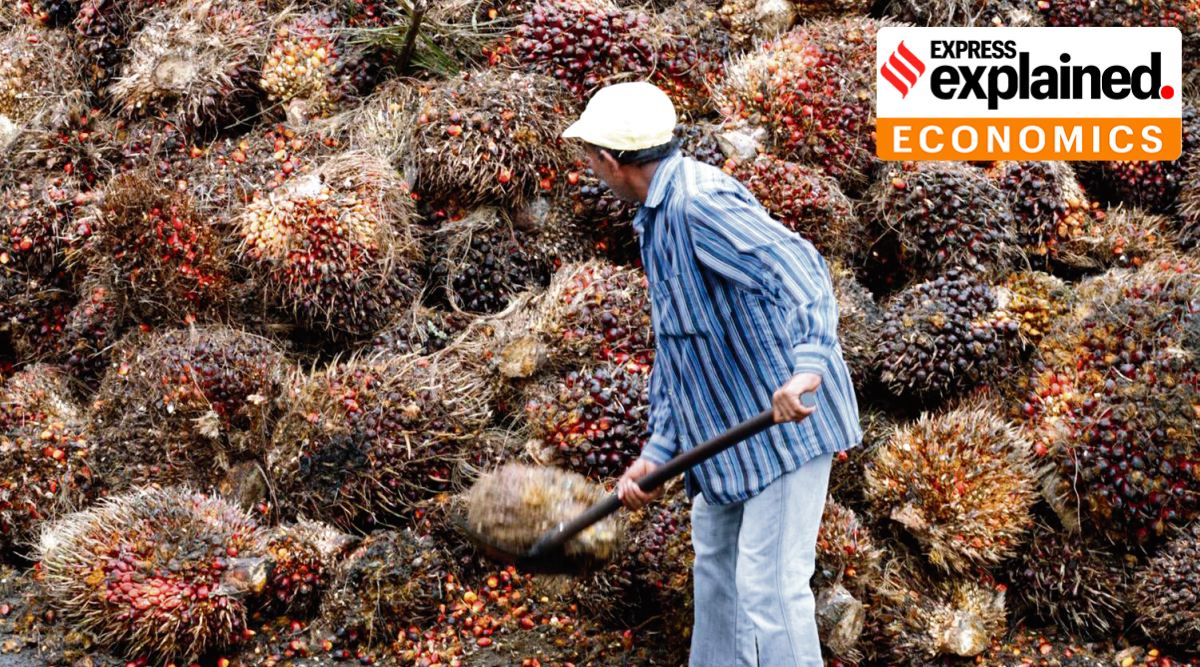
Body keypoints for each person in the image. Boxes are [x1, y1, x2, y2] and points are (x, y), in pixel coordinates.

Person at [560, 81, 863, 667]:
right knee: (717, 571)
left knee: (770, 585)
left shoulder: (699, 203)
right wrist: (658, 452)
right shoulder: (655, 219)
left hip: (783, 424)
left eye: (589, 156)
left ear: (613, 161)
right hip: (723, 433)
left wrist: (808, 367)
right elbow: (681, 349)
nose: (589, 167)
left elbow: (800, 270)